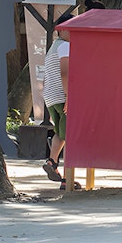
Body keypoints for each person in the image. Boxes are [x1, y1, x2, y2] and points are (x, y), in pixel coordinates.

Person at [41, 12, 72, 187]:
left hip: (51, 96)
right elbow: (65, 73)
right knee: (70, 135)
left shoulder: (53, 47)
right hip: (62, 95)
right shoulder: (65, 47)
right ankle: (67, 180)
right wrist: (69, 97)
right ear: (62, 29)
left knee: (61, 132)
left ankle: (52, 162)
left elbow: (47, 76)